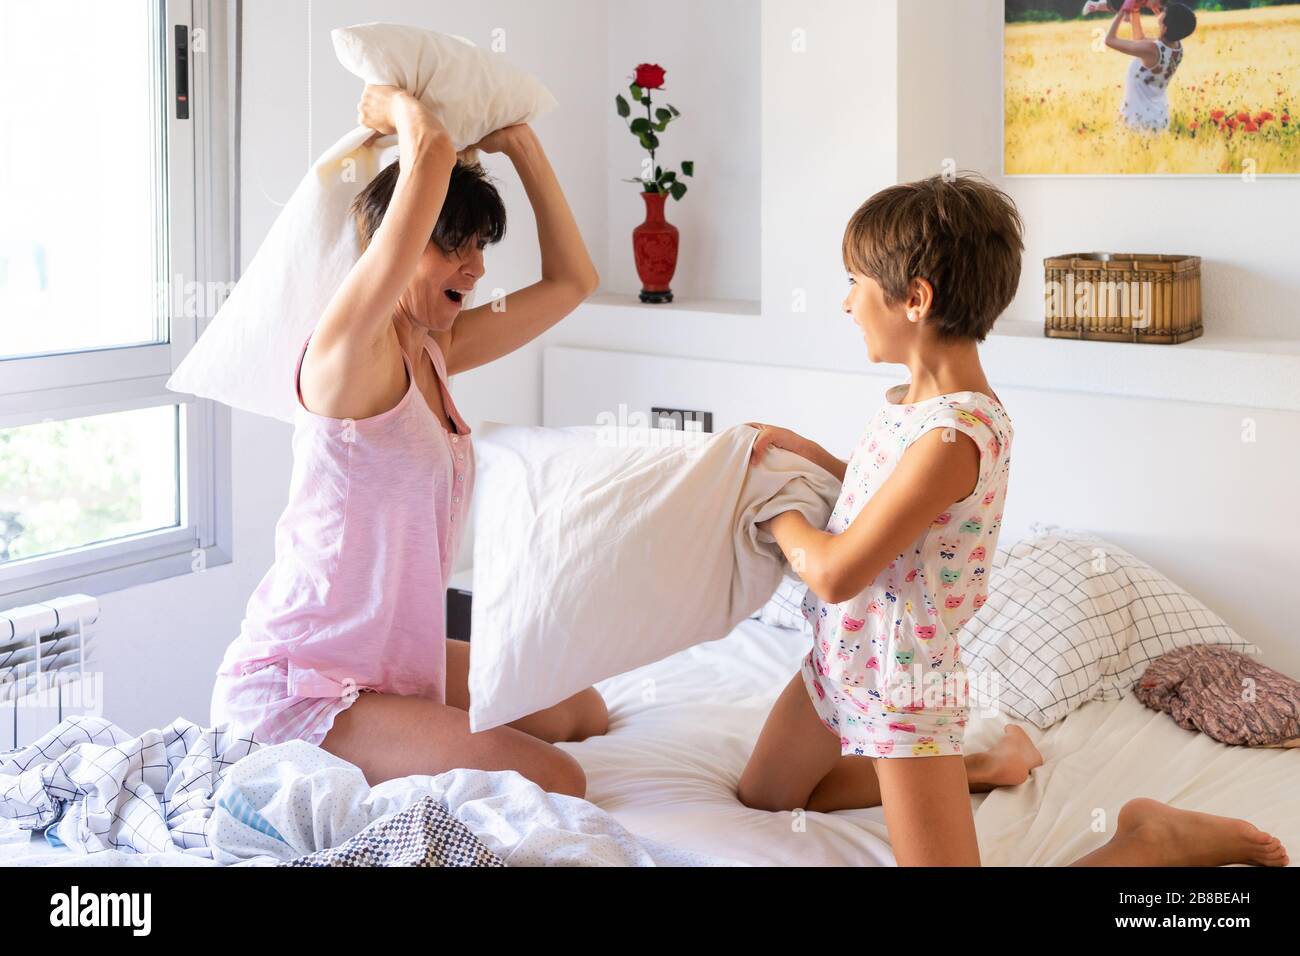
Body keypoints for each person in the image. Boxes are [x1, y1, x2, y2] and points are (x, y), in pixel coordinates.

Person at [736, 173, 1289, 868]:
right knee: (766, 795)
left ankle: (1152, 841)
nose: (847, 304)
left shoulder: (955, 435)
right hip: (840, 659)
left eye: (855, 283)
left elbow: (837, 572)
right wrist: (809, 455)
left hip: (902, 680)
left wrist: (777, 508)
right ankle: (985, 766)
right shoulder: (910, 404)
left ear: (915, 298)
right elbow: (883, 500)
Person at [211, 85, 606, 796]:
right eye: (452, 246)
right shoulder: (347, 348)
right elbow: (425, 157)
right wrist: (397, 107)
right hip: (307, 682)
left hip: (395, 654)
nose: (476, 268)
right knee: (560, 779)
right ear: (390, 246)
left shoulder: (436, 349)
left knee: (583, 711)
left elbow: (573, 281)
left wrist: (520, 145)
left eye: (481, 246)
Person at [1087, 0, 1197, 132]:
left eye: (1164, 12)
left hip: (1139, 121)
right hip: (1159, 117)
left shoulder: (1151, 49)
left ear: (1165, 27)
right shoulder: (1177, 47)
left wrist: (1124, 10)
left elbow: (1110, 40)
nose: (1161, 10)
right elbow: (1139, 40)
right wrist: (1136, 11)